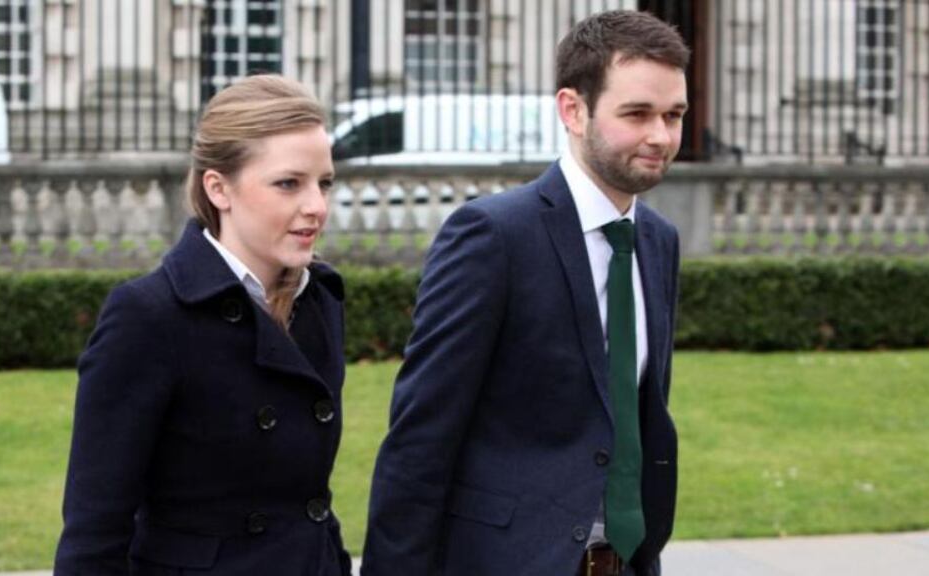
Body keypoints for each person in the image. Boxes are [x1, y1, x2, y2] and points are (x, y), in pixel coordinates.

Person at [362, 10, 688, 576]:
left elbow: (635, 416)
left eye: (674, 115)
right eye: (637, 114)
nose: (661, 136)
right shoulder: (492, 235)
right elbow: (421, 436)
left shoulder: (659, 241)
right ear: (572, 109)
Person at [54, 75, 351, 576]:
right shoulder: (148, 316)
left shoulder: (320, 299)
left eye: (324, 183)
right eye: (288, 183)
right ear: (219, 188)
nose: (316, 207)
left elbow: (304, 503)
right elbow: (94, 531)